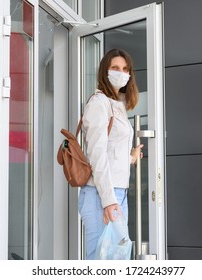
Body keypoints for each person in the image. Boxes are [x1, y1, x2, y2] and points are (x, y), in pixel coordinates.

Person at [79, 49, 143, 260]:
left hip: (117, 193)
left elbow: (111, 151)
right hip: (101, 195)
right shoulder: (99, 103)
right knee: (100, 261)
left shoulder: (118, 104)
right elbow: (97, 155)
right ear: (104, 71)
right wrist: (108, 201)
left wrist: (131, 157)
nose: (121, 73)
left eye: (125, 69)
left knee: (116, 259)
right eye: (115, 68)